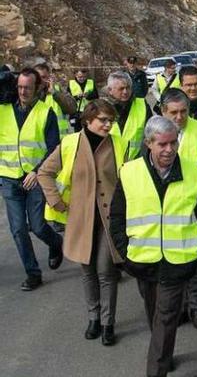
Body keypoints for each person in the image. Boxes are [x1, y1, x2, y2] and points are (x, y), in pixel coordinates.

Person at [109, 116, 197, 377]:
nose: (169, 150)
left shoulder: (193, 170)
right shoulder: (129, 171)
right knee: (156, 315)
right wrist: (125, 251)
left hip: (179, 260)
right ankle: (164, 351)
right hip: (143, 260)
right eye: (162, 144)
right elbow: (117, 216)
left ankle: (157, 369)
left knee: (165, 316)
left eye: (174, 143)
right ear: (149, 143)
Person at [37, 99, 126, 345]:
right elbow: (45, 173)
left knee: (106, 272)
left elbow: (129, 179)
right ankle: (93, 317)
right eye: (103, 120)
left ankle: (108, 323)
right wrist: (56, 202)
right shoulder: (70, 144)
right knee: (87, 271)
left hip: (110, 219)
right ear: (88, 120)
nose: (108, 125)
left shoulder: (120, 144)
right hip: (80, 219)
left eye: (111, 120)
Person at [0, 67, 64, 290]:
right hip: (9, 178)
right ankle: (33, 273)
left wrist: (36, 171)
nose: (23, 92)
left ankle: (56, 242)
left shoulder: (46, 113)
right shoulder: (4, 109)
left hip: (35, 178)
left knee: (37, 227)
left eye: (27, 87)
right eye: (19, 87)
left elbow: (54, 148)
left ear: (37, 88)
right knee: (18, 229)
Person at [158, 89, 197, 331]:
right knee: (173, 262)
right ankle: (179, 307)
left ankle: (196, 308)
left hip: (196, 208)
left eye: (184, 111)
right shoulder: (154, 134)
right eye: (174, 113)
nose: (180, 117)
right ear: (163, 112)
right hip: (167, 211)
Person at [105, 71, 152, 161]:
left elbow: (151, 134)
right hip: (110, 162)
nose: (125, 92)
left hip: (137, 161)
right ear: (110, 90)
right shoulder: (103, 108)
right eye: (121, 89)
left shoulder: (142, 104)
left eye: (128, 88)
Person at [34, 63, 77, 136]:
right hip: (37, 138)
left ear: (49, 78)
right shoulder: (27, 91)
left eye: (44, 77)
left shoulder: (57, 90)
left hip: (57, 138)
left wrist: (55, 93)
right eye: (38, 77)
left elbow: (72, 108)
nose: (40, 80)